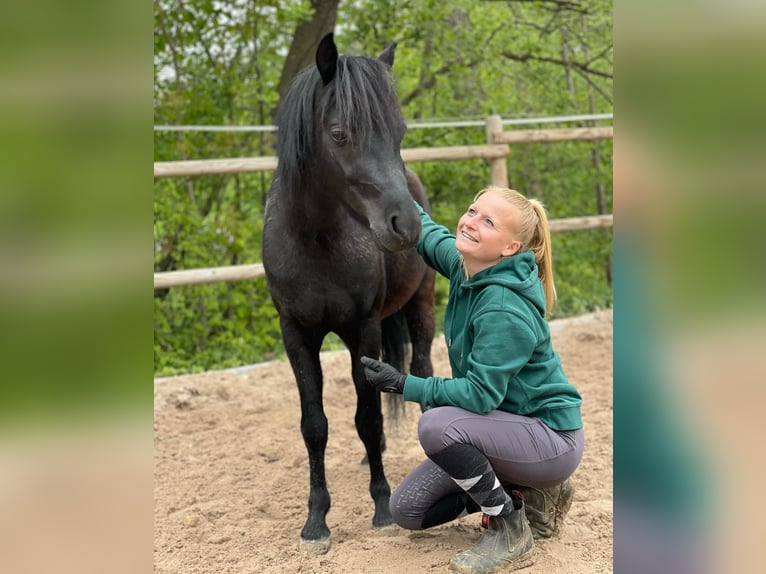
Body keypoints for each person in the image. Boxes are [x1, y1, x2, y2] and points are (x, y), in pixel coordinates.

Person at [361, 186, 584, 574]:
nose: (471, 222)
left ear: (510, 248)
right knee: (408, 509)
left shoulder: (503, 307)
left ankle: (508, 527)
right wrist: (390, 184)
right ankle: (528, 494)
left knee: (435, 425)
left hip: (550, 440)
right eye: (472, 211)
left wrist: (404, 384)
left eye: (488, 222)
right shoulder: (468, 268)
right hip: (504, 429)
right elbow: (427, 232)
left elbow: (480, 395)